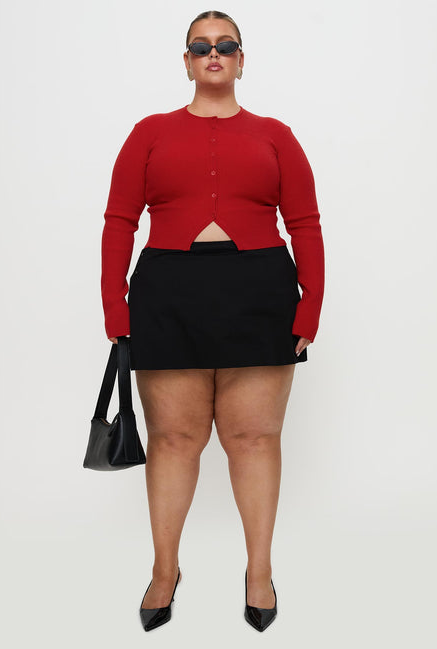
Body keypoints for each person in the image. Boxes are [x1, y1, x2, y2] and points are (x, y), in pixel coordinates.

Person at [100, 10, 325, 633]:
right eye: (201, 46)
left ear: (242, 60)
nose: (214, 54)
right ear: (187, 62)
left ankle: (259, 572)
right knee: (174, 439)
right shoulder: (149, 133)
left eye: (226, 45)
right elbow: (119, 220)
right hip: (168, 292)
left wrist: (310, 306)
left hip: (260, 290)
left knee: (254, 438)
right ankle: (164, 570)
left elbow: (305, 223)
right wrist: (115, 306)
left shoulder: (276, 135)